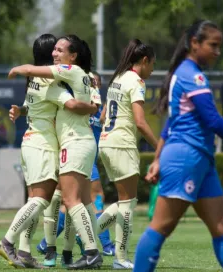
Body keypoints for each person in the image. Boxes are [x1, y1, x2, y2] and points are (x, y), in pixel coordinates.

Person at [132, 20, 223, 272]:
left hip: (200, 160)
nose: (217, 52)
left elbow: (170, 123)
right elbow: (212, 120)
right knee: (161, 227)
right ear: (195, 43)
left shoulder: (187, 73)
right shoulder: (190, 74)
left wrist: (159, 158)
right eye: (213, 45)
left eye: (219, 46)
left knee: (222, 229)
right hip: (186, 158)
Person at [0, 33, 96, 269]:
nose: (56, 54)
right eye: (55, 50)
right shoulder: (52, 83)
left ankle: (25, 251)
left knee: (37, 200)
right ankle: (8, 243)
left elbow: (34, 105)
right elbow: (70, 104)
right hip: (42, 144)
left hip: (32, 142)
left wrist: (20, 110)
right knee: (40, 199)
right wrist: (90, 106)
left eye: (60, 51)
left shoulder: (36, 81)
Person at [35, 71, 116, 261]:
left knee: (70, 203)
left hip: (87, 158)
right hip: (77, 156)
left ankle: (48, 243)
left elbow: (104, 122)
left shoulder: (97, 105)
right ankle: (104, 245)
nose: (94, 84)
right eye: (91, 81)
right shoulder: (77, 106)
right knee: (93, 198)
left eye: (97, 82)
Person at [96, 39, 158, 269]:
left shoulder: (117, 79)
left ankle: (87, 234)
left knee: (124, 202)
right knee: (128, 204)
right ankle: (120, 258)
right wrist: (159, 146)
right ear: (144, 61)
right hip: (122, 144)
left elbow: (103, 117)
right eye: (152, 64)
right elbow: (140, 122)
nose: (152, 69)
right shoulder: (135, 81)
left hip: (106, 143)